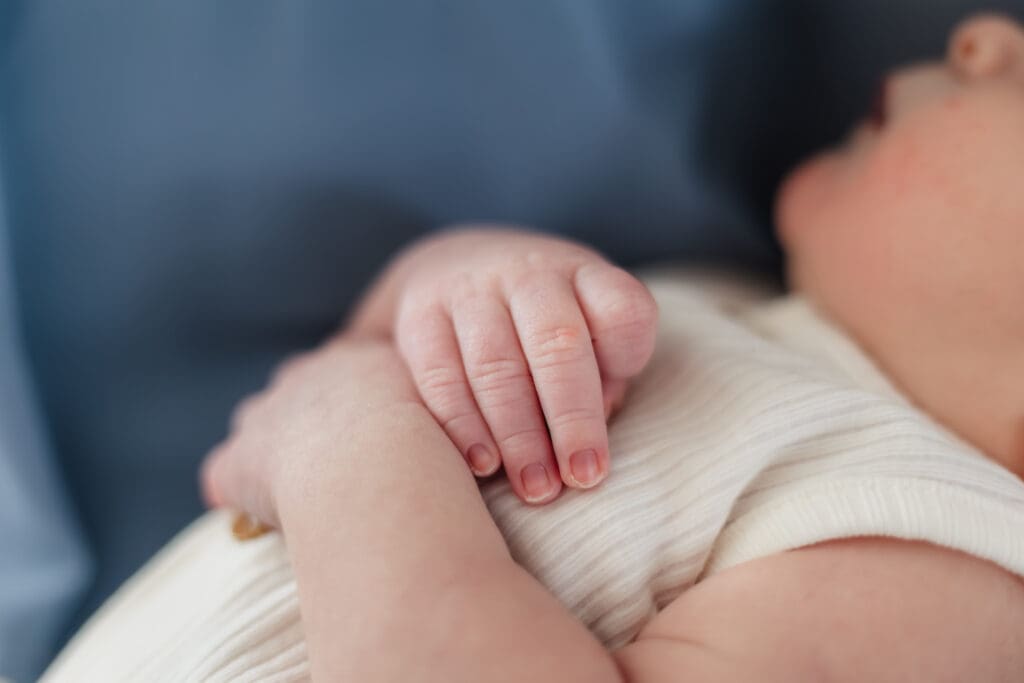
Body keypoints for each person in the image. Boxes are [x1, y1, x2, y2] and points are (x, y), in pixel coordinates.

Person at [41, 12, 1024, 682]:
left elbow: (339, 413)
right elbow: (370, 365)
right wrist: (455, 290)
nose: (987, 36)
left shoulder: (954, 581)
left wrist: (346, 447)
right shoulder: (739, 311)